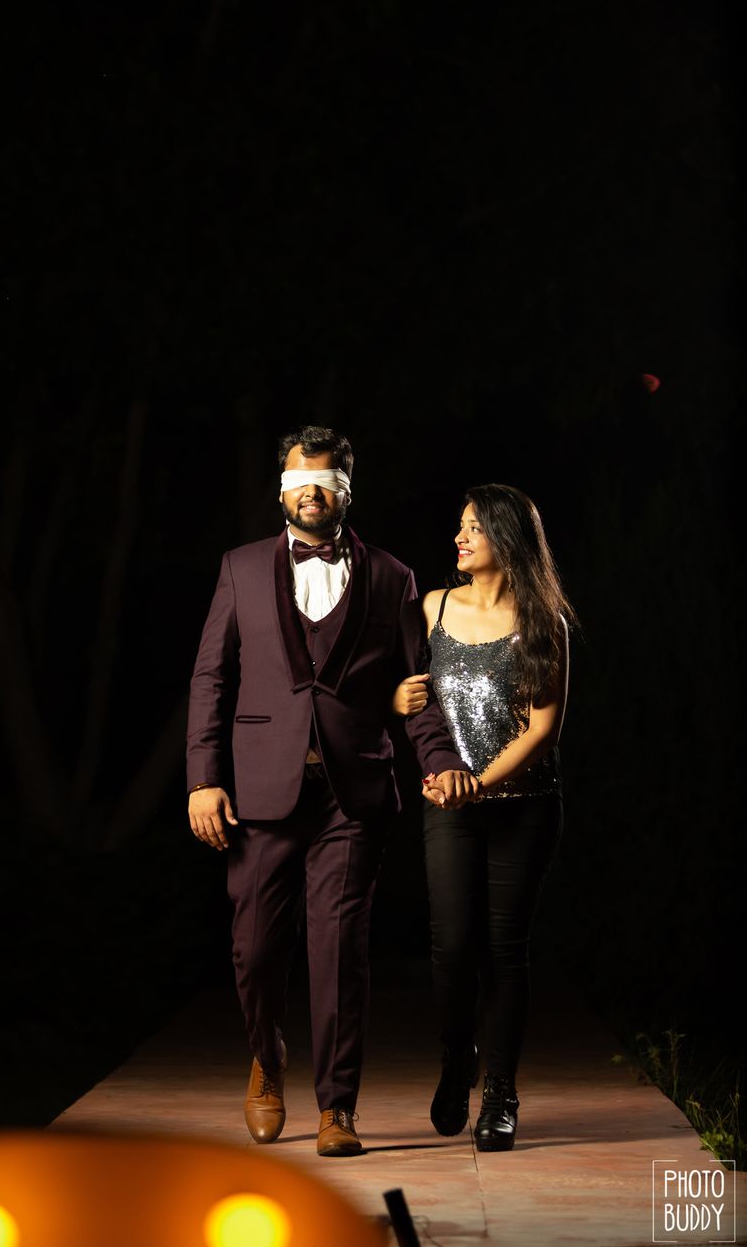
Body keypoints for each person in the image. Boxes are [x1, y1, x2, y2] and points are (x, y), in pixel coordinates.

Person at [186, 426, 474, 1157]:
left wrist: (438, 760)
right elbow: (211, 678)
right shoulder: (240, 568)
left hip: (355, 793)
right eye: (297, 480)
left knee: (340, 951)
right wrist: (203, 779)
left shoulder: (393, 577)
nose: (310, 491)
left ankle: (337, 1107)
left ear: (347, 488)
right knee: (254, 950)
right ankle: (267, 1056)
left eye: (325, 480)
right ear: (281, 489)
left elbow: (417, 688)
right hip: (260, 790)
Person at [395, 483, 574, 1152]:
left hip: (524, 808)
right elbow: (409, 694)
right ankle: (456, 1057)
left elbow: (543, 729)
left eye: (473, 527)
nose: (459, 538)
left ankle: (501, 1092)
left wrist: (478, 784)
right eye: (459, 526)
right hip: (449, 807)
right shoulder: (432, 607)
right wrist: (397, 696)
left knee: (505, 951)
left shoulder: (544, 620)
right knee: (451, 946)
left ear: (507, 537)